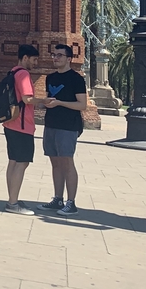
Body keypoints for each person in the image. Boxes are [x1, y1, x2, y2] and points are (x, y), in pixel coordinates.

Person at [38, 43, 88, 216]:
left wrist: (60, 103)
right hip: (51, 123)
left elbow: (82, 105)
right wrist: (42, 103)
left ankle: (71, 202)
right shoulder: (50, 78)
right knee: (55, 163)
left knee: (67, 162)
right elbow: (50, 98)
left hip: (68, 126)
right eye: (54, 55)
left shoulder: (76, 79)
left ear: (69, 59)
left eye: (59, 55)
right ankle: (57, 199)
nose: (55, 58)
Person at [2, 44, 40, 215]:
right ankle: (13, 203)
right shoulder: (23, 74)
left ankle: (12, 197)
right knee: (22, 162)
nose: (35, 63)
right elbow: (27, 99)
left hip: (10, 123)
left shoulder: (13, 72)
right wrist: (45, 101)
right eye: (34, 59)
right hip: (22, 125)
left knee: (13, 161)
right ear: (25, 58)